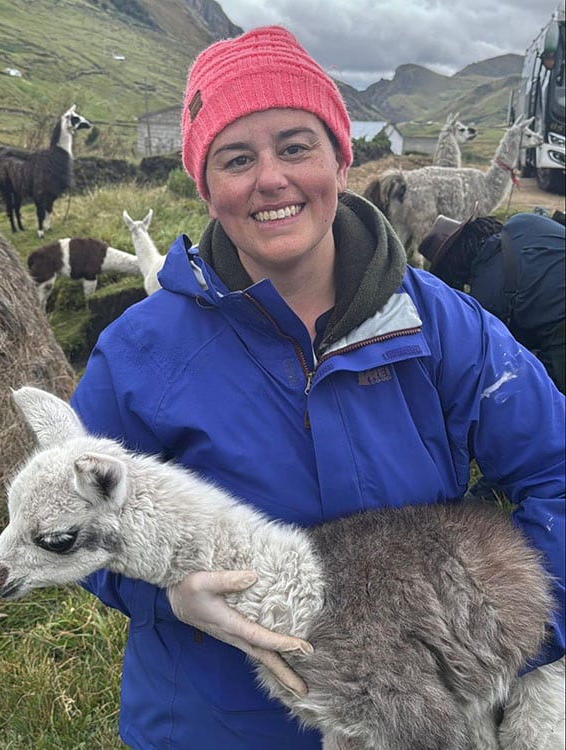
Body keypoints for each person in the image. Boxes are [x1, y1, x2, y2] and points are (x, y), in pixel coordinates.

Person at [70, 25, 565, 750]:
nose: (271, 179)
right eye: (237, 158)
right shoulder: (139, 356)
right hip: (214, 725)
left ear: (341, 156)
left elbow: (556, 466)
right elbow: (71, 520)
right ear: (206, 186)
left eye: (296, 146)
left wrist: (517, 631)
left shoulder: (445, 326)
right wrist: (166, 596)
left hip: (420, 719)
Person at [418, 210, 565, 393]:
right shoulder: (523, 220)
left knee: (540, 390)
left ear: (451, 267)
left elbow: (507, 354)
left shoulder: (484, 296)